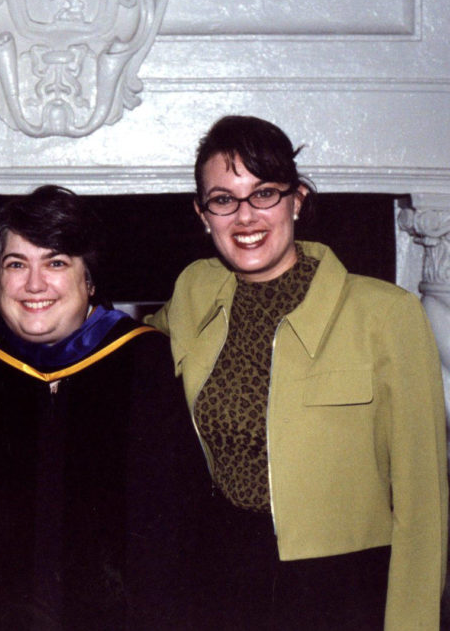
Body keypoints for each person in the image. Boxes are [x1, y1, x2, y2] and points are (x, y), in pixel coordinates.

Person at [147, 115, 448, 629]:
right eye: (223, 199)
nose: (245, 217)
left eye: (263, 193)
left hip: (342, 587)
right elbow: (120, 349)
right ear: (203, 214)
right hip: (221, 575)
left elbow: (424, 505)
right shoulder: (194, 290)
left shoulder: (387, 314)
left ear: (297, 200)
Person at [0, 185, 207, 630]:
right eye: (16, 264)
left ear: (89, 280)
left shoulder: (150, 369)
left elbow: (177, 537)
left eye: (56, 262)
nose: (34, 284)